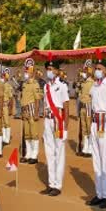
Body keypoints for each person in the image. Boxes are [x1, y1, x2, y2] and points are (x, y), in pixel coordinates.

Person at [86, 51, 106, 209]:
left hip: (105, 126)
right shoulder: (93, 87)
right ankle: (98, 193)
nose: (97, 70)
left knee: (105, 162)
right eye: (96, 68)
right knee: (96, 161)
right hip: (95, 125)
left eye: (100, 68)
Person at [41, 55, 70, 196]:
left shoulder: (62, 86)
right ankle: (51, 183)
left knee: (59, 153)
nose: (49, 71)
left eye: (51, 69)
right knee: (49, 152)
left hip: (59, 121)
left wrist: (65, 128)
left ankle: (57, 185)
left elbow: (66, 107)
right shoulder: (46, 86)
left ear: (58, 71)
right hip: (48, 120)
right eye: (47, 69)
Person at [20, 59, 43, 164]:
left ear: (32, 72)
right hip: (25, 110)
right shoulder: (24, 84)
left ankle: (34, 154)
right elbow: (23, 98)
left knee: (34, 133)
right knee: (27, 133)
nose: (26, 72)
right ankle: (28, 153)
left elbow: (37, 99)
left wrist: (37, 113)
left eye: (27, 70)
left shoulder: (35, 84)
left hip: (32, 109)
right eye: (25, 70)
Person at [77, 61, 94, 157]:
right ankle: (85, 146)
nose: (83, 72)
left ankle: (90, 147)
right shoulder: (83, 82)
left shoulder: (92, 82)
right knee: (84, 128)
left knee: (89, 127)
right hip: (82, 107)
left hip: (88, 106)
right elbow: (79, 93)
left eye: (85, 70)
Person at [1, 68, 14, 145]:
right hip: (0, 106)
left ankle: (7, 138)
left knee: (6, 122)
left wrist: (10, 109)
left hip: (5, 105)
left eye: (6, 75)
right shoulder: (0, 84)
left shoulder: (8, 86)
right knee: (1, 122)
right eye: (3, 74)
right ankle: (3, 137)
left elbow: (11, 98)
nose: (4, 76)